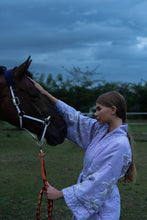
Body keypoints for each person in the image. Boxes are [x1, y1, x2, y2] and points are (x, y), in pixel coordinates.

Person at [28, 78, 136, 220]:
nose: (95, 113)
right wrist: (45, 94)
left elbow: (99, 181)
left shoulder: (120, 144)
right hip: (94, 205)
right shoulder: (100, 130)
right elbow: (76, 118)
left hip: (103, 210)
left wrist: (60, 193)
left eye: (99, 109)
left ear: (113, 110)